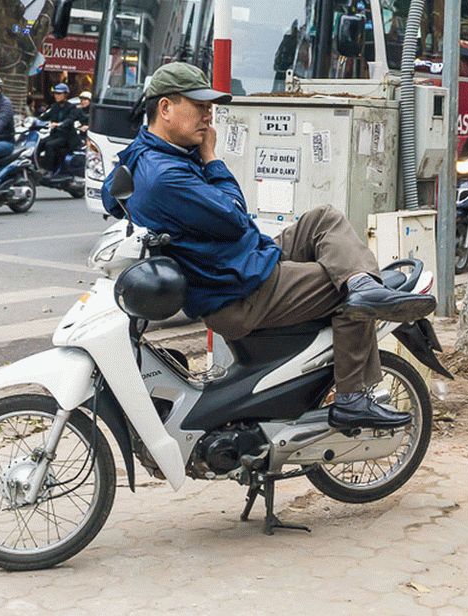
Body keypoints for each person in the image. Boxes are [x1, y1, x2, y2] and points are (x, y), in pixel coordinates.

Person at [102, 62, 436, 430]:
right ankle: (353, 397)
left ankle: (361, 283)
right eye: (198, 106)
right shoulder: (167, 176)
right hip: (240, 290)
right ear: (165, 108)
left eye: (208, 107)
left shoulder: (145, 155)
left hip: (242, 263)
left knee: (323, 219)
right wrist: (212, 158)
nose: (208, 115)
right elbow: (233, 214)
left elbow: (109, 195)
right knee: (345, 295)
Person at [38, 83, 78, 176]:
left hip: (66, 137)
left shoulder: (72, 107)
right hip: (55, 135)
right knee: (40, 143)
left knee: (49, 145)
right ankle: (36, 166)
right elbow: (44, 117)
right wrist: (33, 120)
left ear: (65, 95)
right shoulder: (54, 106)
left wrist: (59, 124)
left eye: (59, 94)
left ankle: (49, 170)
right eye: (55, 93)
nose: (57, 96)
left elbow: (70, 120)